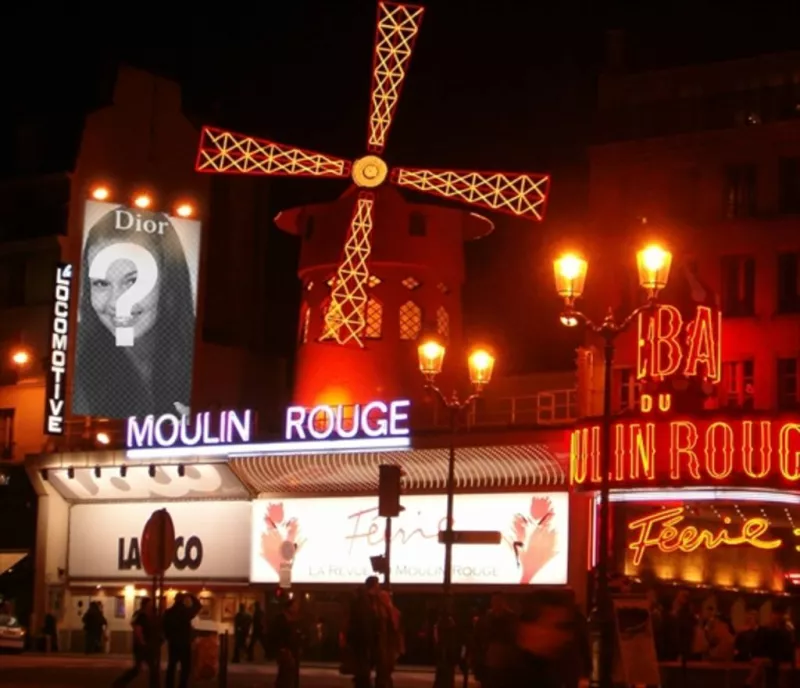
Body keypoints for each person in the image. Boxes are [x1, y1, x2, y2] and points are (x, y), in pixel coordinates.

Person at [73, 205, 196, 418]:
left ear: (168, 280)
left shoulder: (202, 352)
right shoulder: (77, 355)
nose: (117, 303)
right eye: (101, 284)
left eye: (133, 281)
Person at [510, 591, 577, 688]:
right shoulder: (519, 678)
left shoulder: (554, 669)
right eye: (559, 626)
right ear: (529, 629)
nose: (567, 636)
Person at [112, 596, 159, 688]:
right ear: (145, 605)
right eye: (150, 604)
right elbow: (137, 628)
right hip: (142, 646)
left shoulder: (150, 615)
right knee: (139, 668)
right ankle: (119, 683)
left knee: (151, 667)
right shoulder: (141, 615)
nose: (152, 606)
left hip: (148, 645)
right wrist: (141, 641)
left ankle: (120, 683)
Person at [163, 592, 201, 688]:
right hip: (184, 643)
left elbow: (163, 626)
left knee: (171, 666)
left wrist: (168, 637)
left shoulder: (168, 612)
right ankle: (182, 685)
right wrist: (191, 595)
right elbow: (198, 606)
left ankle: (169, 685)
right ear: (183, 600)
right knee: (185, 667)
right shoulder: (185, 612)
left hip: (173, 642)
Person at [274, 597, 302, 688]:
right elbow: (278, 635)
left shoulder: (294, 619)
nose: (296, 608)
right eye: (294, 606)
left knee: (291, 676)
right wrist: (282, 649)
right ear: (289, 607)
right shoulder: (281, 619)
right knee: (285, 675)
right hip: (286, 651)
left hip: (293, 651)